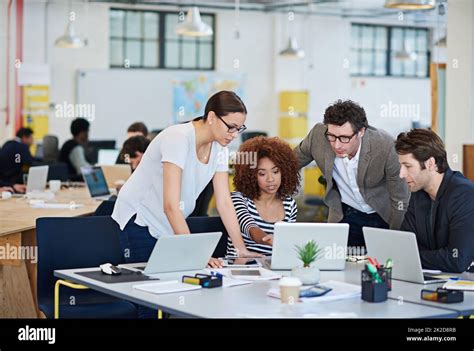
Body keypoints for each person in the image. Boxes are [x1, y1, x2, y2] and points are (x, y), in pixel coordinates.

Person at [111, 91, 262, 268]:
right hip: (140, 218)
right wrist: (197, 253)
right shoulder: (178, 138)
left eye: (239, 129)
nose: (234, 134)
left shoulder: (220, 148)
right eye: (231, 127)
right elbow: (170, 205)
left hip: (169, 223)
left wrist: (240, 249)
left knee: (173, 279)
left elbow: (224, 202)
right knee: (148, 283)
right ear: (212, 117)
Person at [294, 99, 410, 248]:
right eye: (332, 137)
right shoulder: (318, 136)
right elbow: (291, 162)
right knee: (341, 264)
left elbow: (400, 198)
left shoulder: (385, 146)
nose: (337, 145)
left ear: (361, 132)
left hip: (383, 215)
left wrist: (395, 237)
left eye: (344, 138)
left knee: (380, 266)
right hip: (346, 214)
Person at [396, 129, 474, 273]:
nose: (401, 174)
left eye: (407, 166)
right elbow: (405, 246)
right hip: (435, 280)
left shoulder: (465, 195)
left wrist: (411, 257)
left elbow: (457, 260)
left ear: (430, 163)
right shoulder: (417, 193)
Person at [227, 136, 300, 256]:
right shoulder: (238, 199)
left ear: (284, 172)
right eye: (262, 173)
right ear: (251, 176)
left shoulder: (289, 204)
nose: (270, 179)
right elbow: (250, 227)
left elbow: (287, 244)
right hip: (242, 268)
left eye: (275, 172)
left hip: (274, 269)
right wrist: (267, 239)